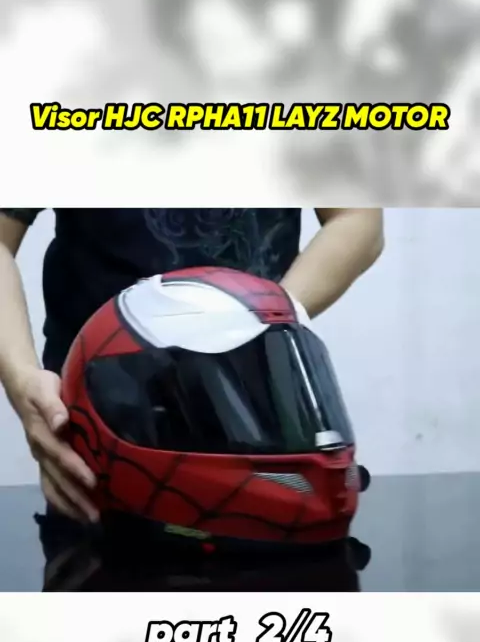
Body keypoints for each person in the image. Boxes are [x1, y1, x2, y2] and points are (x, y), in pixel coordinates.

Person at [0, 208, 383, 590]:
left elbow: (357, 216)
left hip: (257, 396)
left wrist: (252, 318)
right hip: (108, 429)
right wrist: (22, 378)